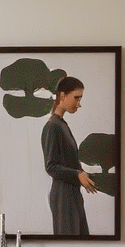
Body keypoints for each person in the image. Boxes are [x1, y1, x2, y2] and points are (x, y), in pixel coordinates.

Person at [41, 75, 96, 237]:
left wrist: (83, 175)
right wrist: (78, 174)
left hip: (72, 194)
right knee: (71, 244)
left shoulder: (61, 125)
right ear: (63, 96)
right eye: (76, 98)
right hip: (63, 198)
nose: (79, 104)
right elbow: (51, 167)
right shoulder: (52, 127)